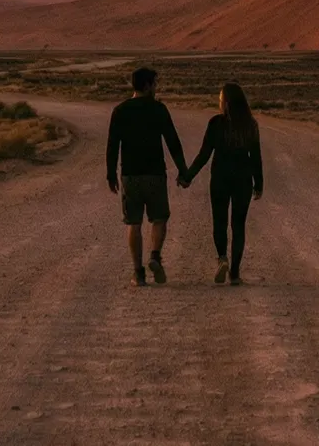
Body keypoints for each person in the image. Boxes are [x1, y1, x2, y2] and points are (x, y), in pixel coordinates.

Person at [106, 66, 186, 287]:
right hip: (155, 174)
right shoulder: (158, 109)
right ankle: (155, 256)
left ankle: (138, 273)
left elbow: (112, 146)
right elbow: (173, 141)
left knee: (133, 223)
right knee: (159, 218)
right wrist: (183, 170)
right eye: (154, 84)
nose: (156, 88)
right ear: (148, 85)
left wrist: (110, 174)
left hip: (130, 175)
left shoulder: (120, 110)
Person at [180, 82, 265, 285]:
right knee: (238, 225)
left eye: (220, 99)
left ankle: (222, 259)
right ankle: (234, 274)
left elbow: (204, 154)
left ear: (225, 102)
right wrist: (259, 183)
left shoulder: (216, 123)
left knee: (219, 221)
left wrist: (188, 176)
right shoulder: (250, 124)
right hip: (243, 180)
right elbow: (256, 157)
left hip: (220, 178)